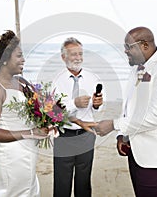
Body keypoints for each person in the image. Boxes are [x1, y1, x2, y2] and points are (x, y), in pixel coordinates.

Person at [94, 27, 157, 197]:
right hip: (137, 151)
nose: (125, 51)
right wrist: (123, 135)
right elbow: (132, 106)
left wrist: (114, 125)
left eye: (128, 46)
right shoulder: (138, 67)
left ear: (144, 45)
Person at [0, 30, 49, 197]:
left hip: (27, 153)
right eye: (19, 56)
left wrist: (48, 120)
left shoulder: (21, 82)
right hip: (9, 156)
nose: (23, 60)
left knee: (28, 190)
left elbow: (40, 108)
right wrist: (31, 133)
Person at [52, 37, 103, 197]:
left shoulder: (92, 78)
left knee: (84, 182)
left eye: (80, 53)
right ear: (63, 57)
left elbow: (99, 107)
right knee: (62, 182)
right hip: (64, 135)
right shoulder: (57, 81)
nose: (78, 58)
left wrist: (97, 103)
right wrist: (74, 103)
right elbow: (53, 111)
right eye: (73, 54)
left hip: (86, 136)